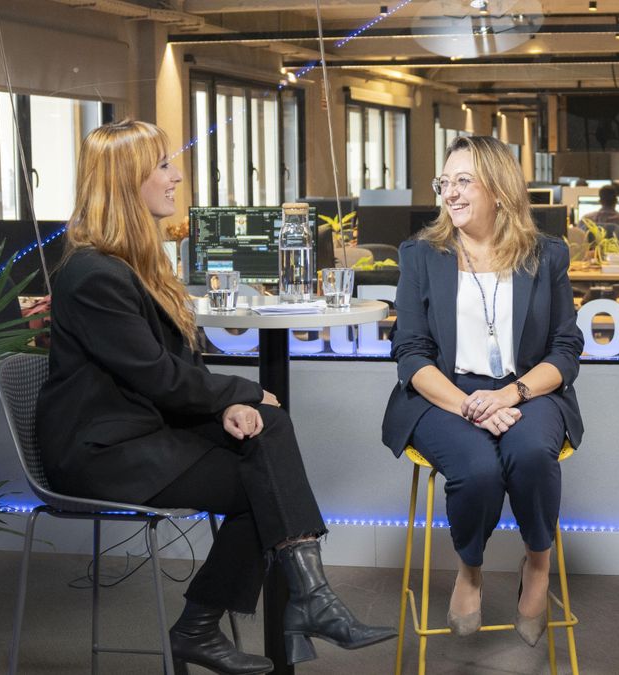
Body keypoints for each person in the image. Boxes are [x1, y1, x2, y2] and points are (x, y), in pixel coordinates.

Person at [36, 120, 396, 672]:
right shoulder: (92, 275)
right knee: (265, 478)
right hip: (102, 453)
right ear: (127, 181)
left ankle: (284, 608)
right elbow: (157, 376)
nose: (175, 175)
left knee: (269, 436)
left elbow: (174, 370)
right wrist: (246, 390)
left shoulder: (133, 263)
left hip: (145, 431)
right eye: (162, 165)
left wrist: (233, 404)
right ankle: (278, 610)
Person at [381, 135, 584, 647]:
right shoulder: (421, 256)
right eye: (444, 182)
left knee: (534, 457)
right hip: (443, 393)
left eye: (463, 180)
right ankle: (469, 568)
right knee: (476, 471)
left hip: (527, 389)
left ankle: (537, 563)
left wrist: (512, 394)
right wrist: (472, 406)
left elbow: (565, 349)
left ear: (499, 188)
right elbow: (411, 354)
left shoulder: (547, 255)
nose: (450, 192)